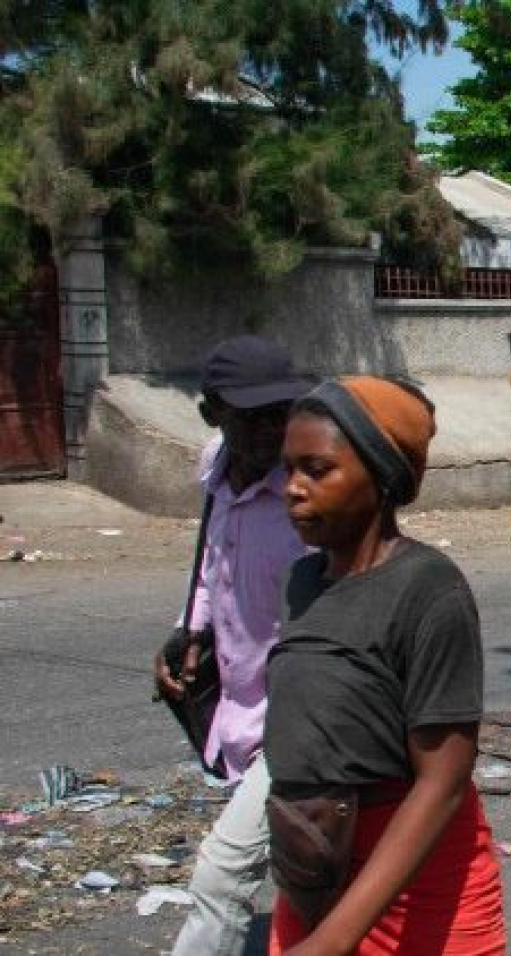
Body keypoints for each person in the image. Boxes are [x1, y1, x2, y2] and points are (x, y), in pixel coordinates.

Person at [267, 377, 505, 954]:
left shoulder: (429, 589)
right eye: (289, 469)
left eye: (317, 470)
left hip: (414, 886)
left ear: (380, 477)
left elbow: (442, 784)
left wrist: (332, 942)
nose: (293, 489)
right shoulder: (302, 581)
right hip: (311, 867)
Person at [161, 337, 314, 956]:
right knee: (309, 866)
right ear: (213, 414)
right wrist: (190, 630)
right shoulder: (215, 468)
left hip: (303, 717)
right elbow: (212, 562)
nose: (273, 430)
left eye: (283, 412)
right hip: (242, 706)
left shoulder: (313, 490)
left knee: (222, 875)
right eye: (254, 416)